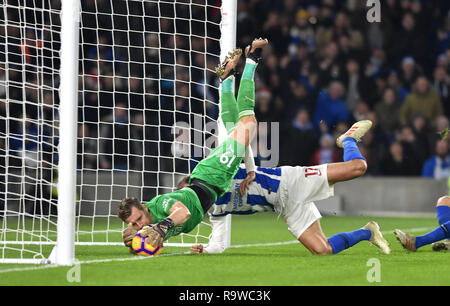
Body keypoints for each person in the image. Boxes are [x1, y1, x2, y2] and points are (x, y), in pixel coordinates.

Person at [184, 80, 390, 255]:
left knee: (358, 167)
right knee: (323, 250)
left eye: (193, 192)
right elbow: (218, 245)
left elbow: (237, 133)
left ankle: (348, 140)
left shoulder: (223, 171)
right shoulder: (217, 209)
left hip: (291, 181)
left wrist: (227, 81)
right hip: (286, 207)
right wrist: (205, 248)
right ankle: (368, 232)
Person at [117, 38, 268, 252]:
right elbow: (152, 243)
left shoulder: (161, 206)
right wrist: (135, 246)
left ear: (143, 207)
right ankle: (226, 79)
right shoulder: (150, 225)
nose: (138, 225)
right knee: (237, 127)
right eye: (134, 224)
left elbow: (183, 214)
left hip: (211, 175)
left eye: (138, 219)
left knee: (248, 123)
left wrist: (160, 228)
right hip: (213, 179)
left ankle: (252, 58)